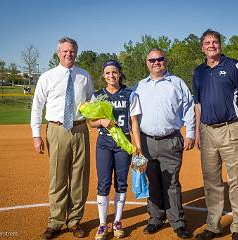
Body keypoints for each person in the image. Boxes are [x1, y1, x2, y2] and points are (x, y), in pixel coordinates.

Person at [30, 37, 94, 240]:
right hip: (56, 130)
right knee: (57, 178)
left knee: (79, 178)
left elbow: (92, 102)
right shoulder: (47, 77)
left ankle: (74, 220)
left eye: (72, 51)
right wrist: (36, 135)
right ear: (58, 53)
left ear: (76, 53)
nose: (69, 54)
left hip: (80, 128)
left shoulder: (84, 76)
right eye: (65, 51)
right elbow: (37, 106)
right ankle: (56, 222)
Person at [193, 29, 238, 240]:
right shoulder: (199, 71)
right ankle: (213, 226)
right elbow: (198, 105)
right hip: (207, 131)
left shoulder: (233, 66)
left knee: (237, 181)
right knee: (211, 181)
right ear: (202, 47)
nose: (211, 45)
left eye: (215, 42)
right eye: (207, 43)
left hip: (232, 129)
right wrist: (198, 131)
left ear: (220, 45)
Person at [134, 48, 195, 239]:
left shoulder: (176, 83)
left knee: (172, 182)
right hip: (146, 142)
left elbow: (189, 109)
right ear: (147, 63)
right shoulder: (139, 86)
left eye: (159, 59)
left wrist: (190, 134)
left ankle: (177, 222)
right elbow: (133, 116)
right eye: (152, 60)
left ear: (165, 61)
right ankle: (155, 219)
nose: (156, 62)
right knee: (152, 182)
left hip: (171, 140)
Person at [88, 60, 143, 240]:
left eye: (114, 72)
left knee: (121, 183)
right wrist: (101, 122)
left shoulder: (130, 94)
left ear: (119, 73)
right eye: (107, 73)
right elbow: (91, 121)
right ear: (103, 76)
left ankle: (117, 221)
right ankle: (103, 224)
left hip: (123, 144)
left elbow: (134, 123)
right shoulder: (98, 96)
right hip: (104, 143)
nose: (111, 76)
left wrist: (138, 148)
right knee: (103, 183)